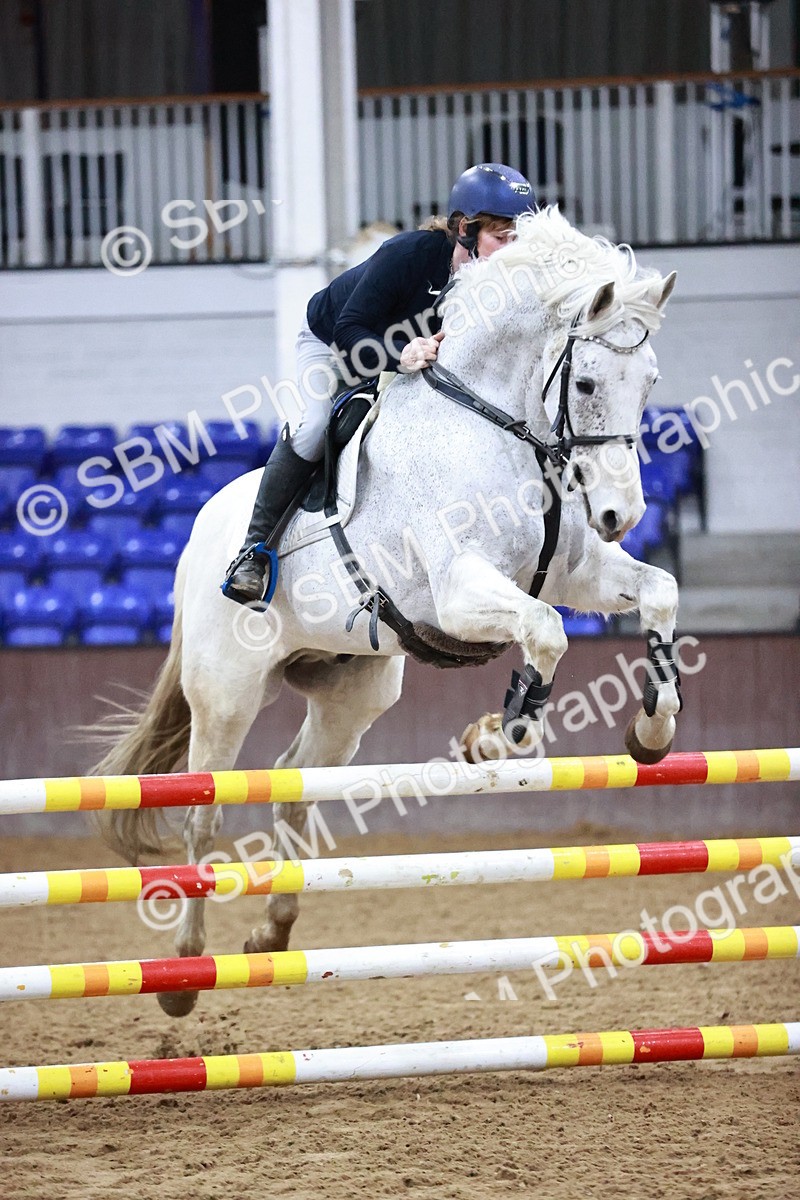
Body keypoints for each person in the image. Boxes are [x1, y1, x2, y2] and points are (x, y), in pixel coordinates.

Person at [222, 163, 536, 606]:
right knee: (313, 428)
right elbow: (351, 329)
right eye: (501, 239)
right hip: (332, 342)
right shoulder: (408, 255)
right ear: (466, 229)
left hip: (403, 358)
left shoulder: (495, 281)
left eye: (518, 240)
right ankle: (253, 553)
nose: (510, 251)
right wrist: (400, 354)